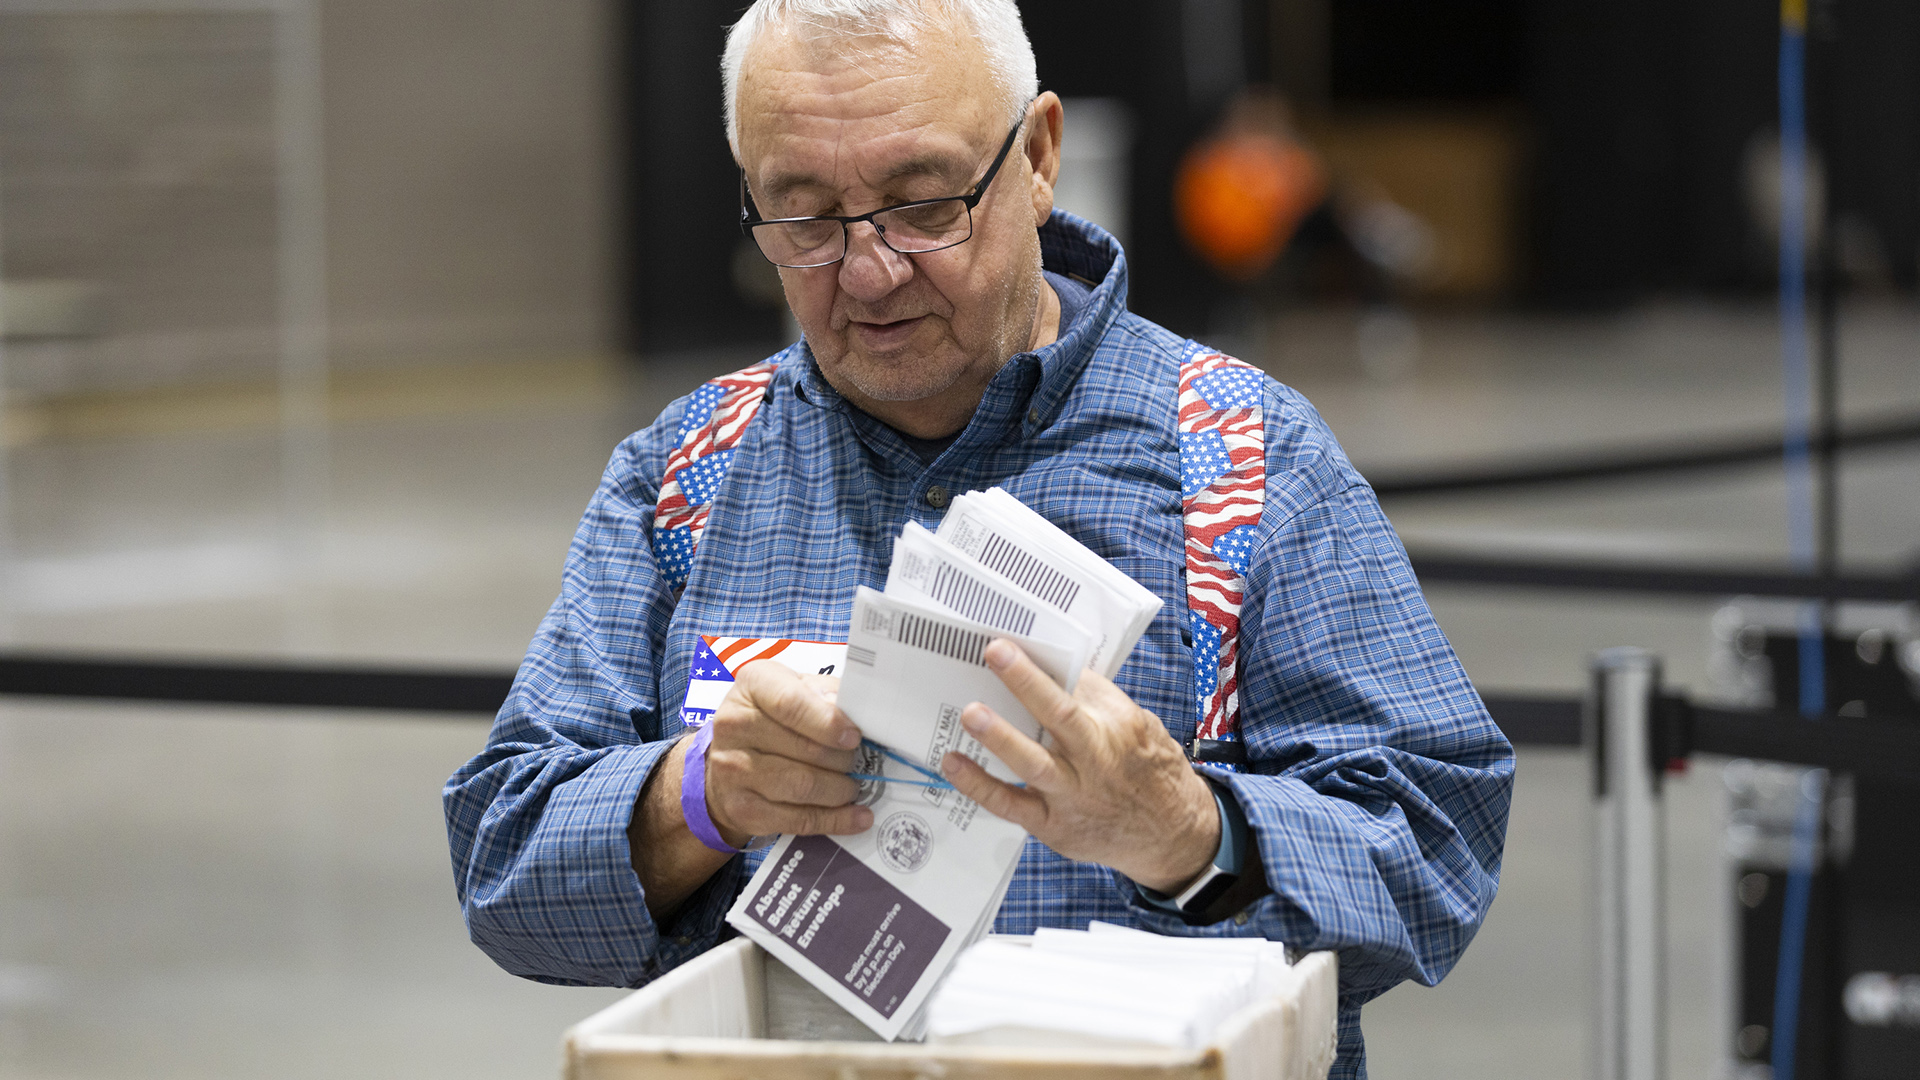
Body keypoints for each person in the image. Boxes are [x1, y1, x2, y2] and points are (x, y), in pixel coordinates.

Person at [443, 2, 1513, 1075]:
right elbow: (504, 864)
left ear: (1039, 158)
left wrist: (1192, 834)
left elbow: (1435, 848)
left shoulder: (1237, 457)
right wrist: (697, 796)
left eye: (921, 204)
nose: (868, 273)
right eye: (804, 218)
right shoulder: (688, 476)